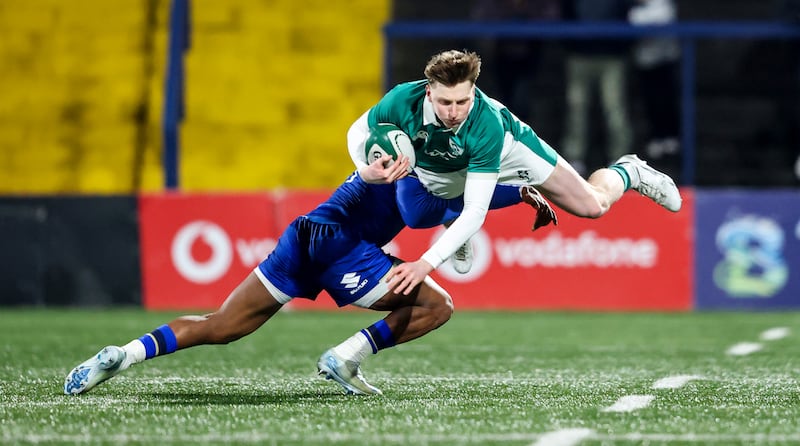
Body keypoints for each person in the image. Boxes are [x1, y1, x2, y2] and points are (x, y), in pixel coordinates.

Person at [64, 154, 558, 396]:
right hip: (340, 248)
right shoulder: (415, 164)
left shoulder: (399, 150)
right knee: (437, 305)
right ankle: (347, 356)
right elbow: (421, 203)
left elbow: (440, 200)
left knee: (223, 324)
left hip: (306, 232)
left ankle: (122, 355)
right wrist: (513, 195)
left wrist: (505, 197)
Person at [347, 49, 681, 284]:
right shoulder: (401, 100)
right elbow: (358, 133)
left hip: (507, 153)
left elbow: (477, 211)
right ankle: (451, 221)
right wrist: (366, 170)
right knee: (417, 215)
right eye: (445, 102)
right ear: (428, 91)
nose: (453, 111)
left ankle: (630, 170)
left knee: (593, 206)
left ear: (473, 91)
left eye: (462, 101)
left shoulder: (485, 124)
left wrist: (426, 264)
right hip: (439, 163)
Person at [560, 0, 634, 175]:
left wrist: (620, 44)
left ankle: (620, 159)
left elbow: (627, 14)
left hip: (612, 56)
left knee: (614, 106)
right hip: (579, 55)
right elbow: (565, 14)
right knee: (576, 106)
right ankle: (574, 158)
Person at [629, 0, 681, 168]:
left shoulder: (664, 5)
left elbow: (664, 18)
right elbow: (633, 23)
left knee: (667, 99)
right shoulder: (635, 8)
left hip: (665, 61)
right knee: (651, 101)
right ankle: (656, 138)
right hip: (645, 62)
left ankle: (671, 138)